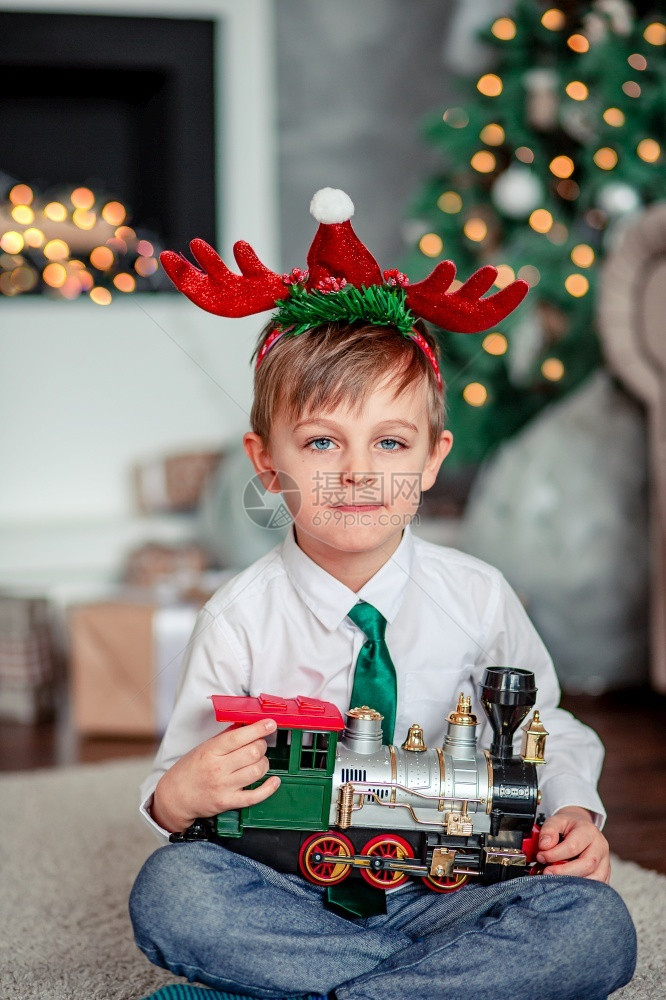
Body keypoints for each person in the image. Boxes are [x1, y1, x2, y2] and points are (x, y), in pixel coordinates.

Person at [130, 189, 637, 1000]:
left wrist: (576, 809)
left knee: (596, 927)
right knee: (172, 894)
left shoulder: (478, 595)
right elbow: (180, 778)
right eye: (323, 441)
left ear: (433, 458)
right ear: (267, 463)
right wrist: (172, 797)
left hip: (453, 889)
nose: (360, 472)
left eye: (390, 442)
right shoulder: (237, 616)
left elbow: (552, 729)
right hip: (293, 887)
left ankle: (338, 994)